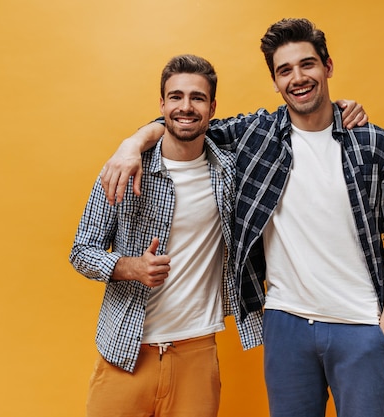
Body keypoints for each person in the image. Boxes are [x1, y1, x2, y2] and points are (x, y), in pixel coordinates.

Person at [100, 18, 384, 417]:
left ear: (328, 66)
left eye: (307, 65)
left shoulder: (373, 143)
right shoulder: (257, 136)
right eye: (284, 70)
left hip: (361, 325)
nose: (298, 78)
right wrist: (131, 144)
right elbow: (185, 123)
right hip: (286, 325)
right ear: (274, 81)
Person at [69, 54, 264, 417]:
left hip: (197, 354)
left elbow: (288, 123)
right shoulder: (123, 169)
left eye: (197, 98)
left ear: (212, 107)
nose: (185, 107)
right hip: (126, 353)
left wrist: (340, 108)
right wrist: (129, 267)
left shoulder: (229, 173)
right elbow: (81, 250)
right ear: (161, 105)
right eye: (175, 97)